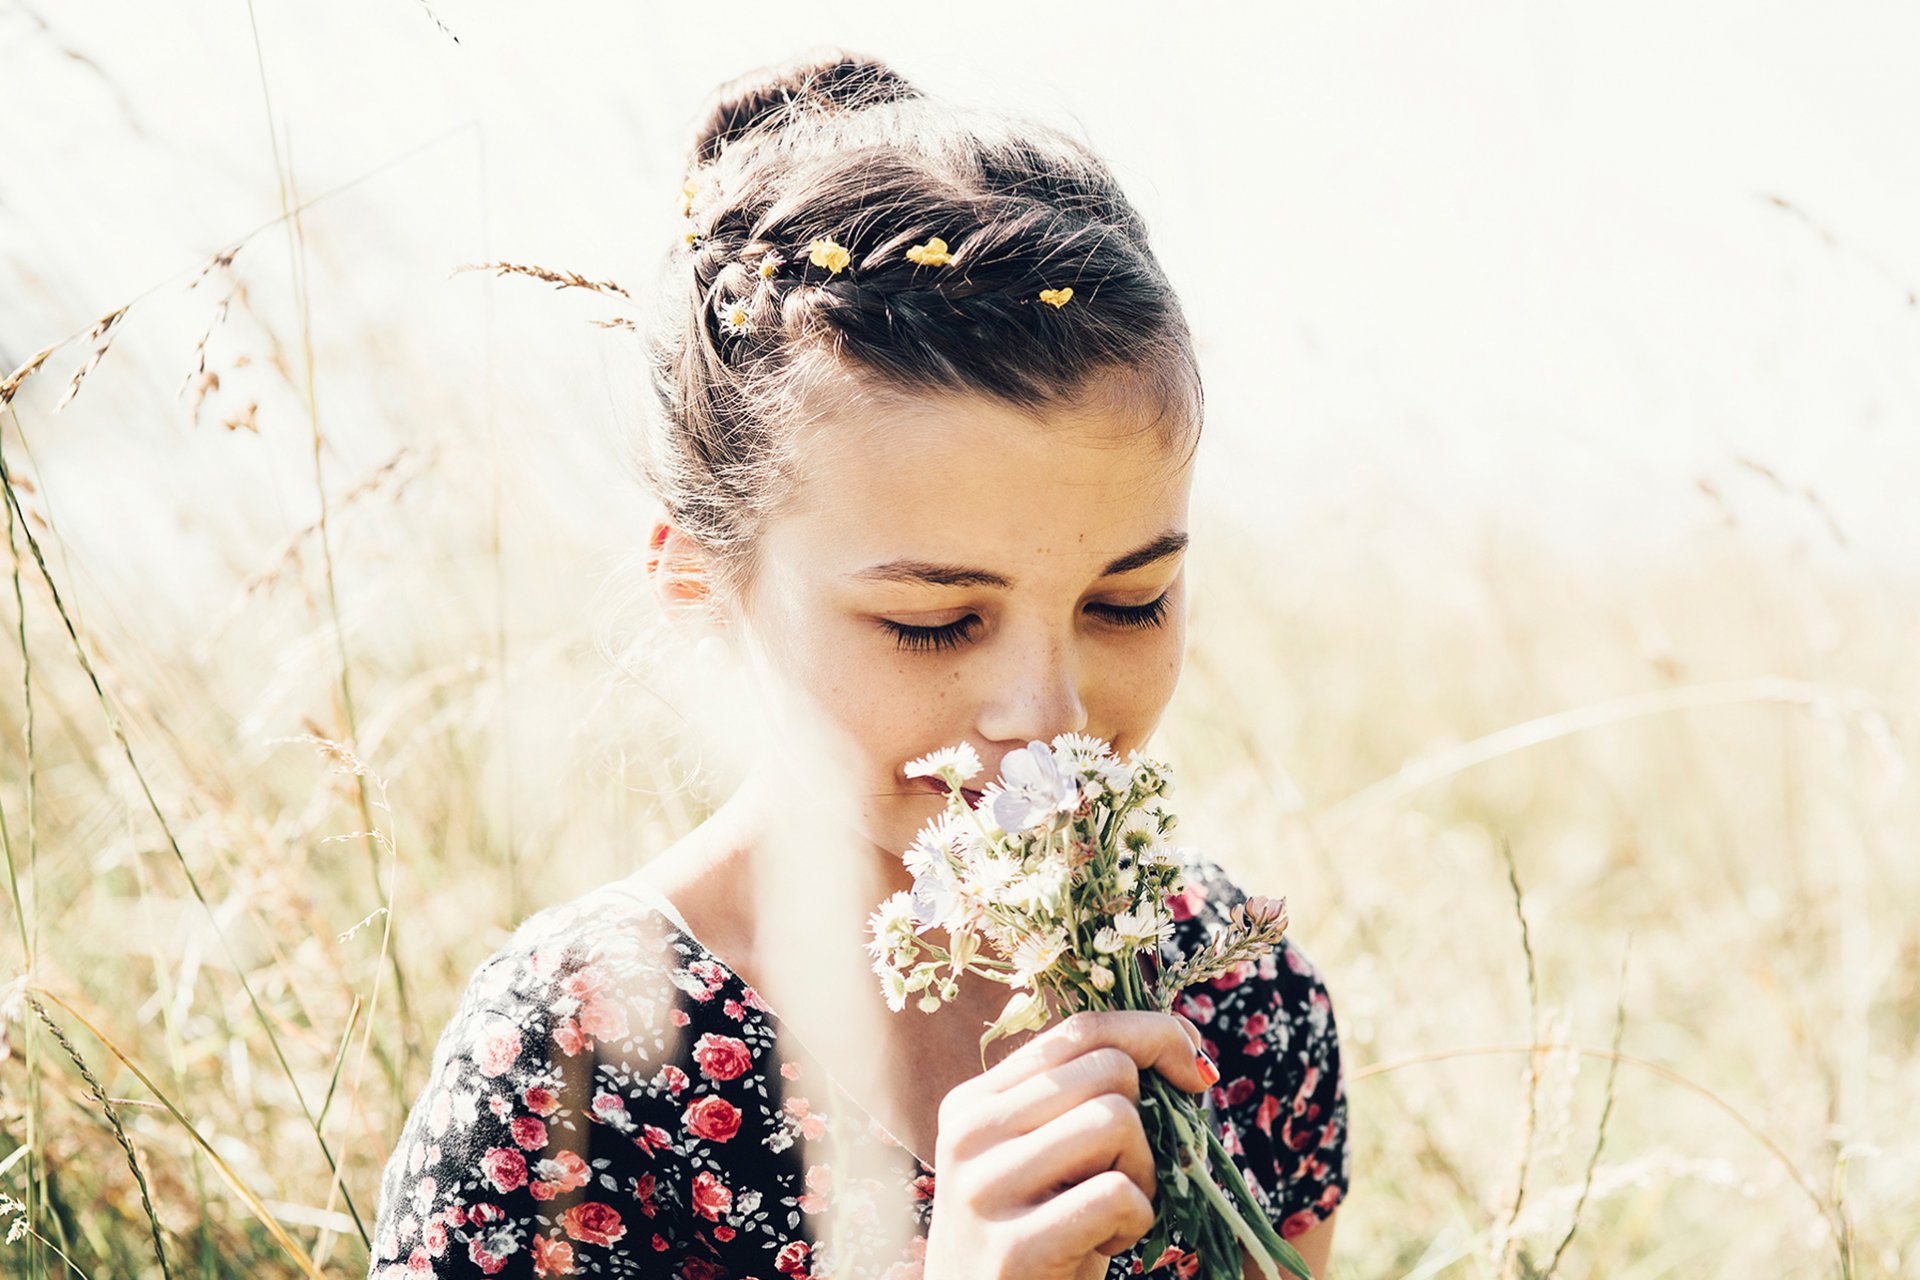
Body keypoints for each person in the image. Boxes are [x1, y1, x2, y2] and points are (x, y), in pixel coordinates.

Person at [365, 50, 1349, 1280]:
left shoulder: (1237, 997)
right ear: (700, 587)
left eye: (1127, 600)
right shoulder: (575, 1063)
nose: (1048, 714)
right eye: (933, 623)